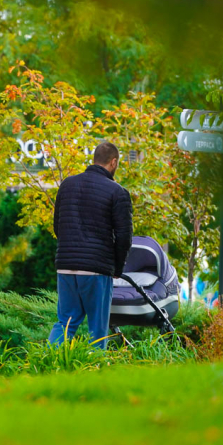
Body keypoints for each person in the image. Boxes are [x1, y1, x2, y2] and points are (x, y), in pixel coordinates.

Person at [49, 141, 133, 349]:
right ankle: (93, 372)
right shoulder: (118, 192)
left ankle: (48, 366)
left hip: (66, 266)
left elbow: (57, 226)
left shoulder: (67, 184)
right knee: (97, 329)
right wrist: (118, 267)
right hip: (96, 269)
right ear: (113, 162)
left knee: (66, 322)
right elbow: (124, 236)